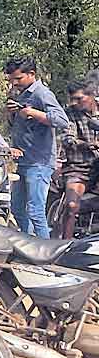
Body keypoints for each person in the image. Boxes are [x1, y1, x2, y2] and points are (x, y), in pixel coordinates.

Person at [5, 56, 68, 238]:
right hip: (23, 161)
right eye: (12, 80)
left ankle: (45, 249)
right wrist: (13, 113)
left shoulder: (42, 93)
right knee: (17, 209)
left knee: (35, 211)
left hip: (39, 162)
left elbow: (62, 121)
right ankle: (29, 245)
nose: (14, 83)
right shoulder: (21, 94)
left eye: (18, 78)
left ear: (31, 74)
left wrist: (33, 112)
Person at [56, 76, 99, 239]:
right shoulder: (69, 114)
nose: (75, 102)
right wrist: (87, 145)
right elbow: (67, 138)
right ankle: (64, 245)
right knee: (72, 205)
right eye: (73, 99)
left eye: (79, 98)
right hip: (79, 167)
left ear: (92, 95)